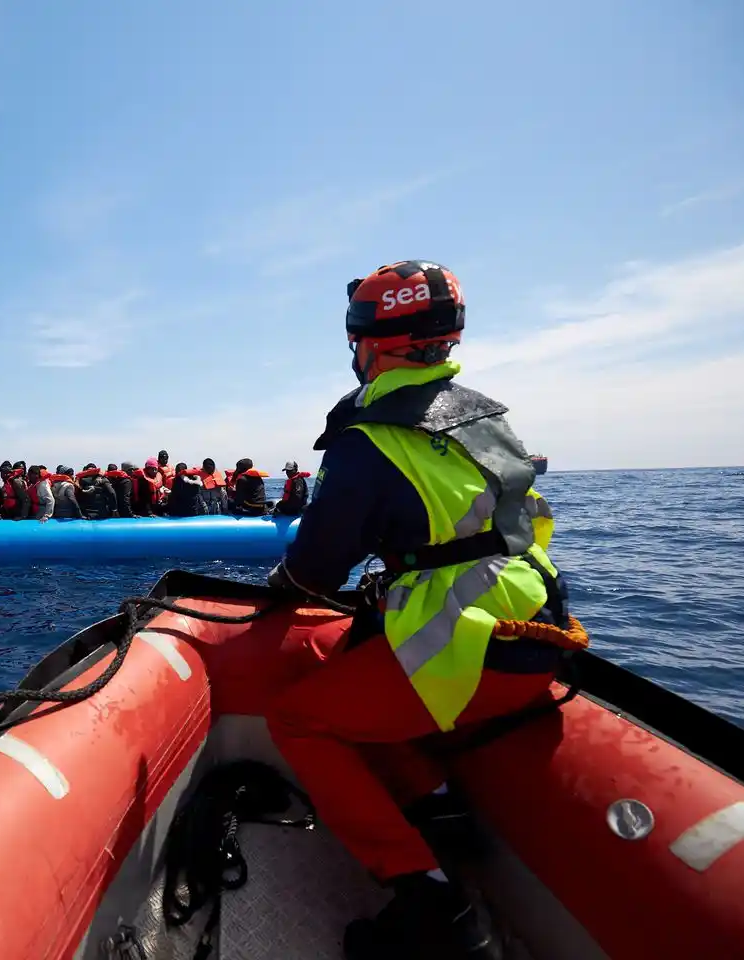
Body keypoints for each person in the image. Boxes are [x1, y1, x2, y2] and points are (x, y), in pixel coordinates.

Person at [263, 261, 577, 960]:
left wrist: (280, 586)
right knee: (354, 661)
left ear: (370, 344)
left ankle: (429, 896)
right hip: (539, 630)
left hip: (472, 654)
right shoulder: (488, 419)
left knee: (299, 720)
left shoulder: (370, 440)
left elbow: (314, 569)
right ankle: (439, 806)